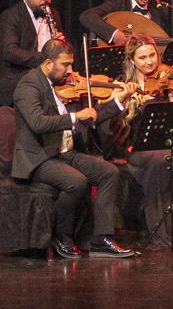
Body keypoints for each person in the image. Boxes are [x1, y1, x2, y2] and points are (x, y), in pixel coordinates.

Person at [12, 36, 134, 259]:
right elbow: (37, 123)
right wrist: (75, 116)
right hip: (38, 158)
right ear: (48, 63)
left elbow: (89, 119)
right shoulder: (28, 85)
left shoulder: (58, 86)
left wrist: (118, 101)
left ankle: (101, 239)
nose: (70, 71)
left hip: (64, 152)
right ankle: (62, 236)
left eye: (71, 64)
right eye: (65, 65)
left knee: (109, 172)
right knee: (75, 181)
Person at [102, 35, 173, 243]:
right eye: (142, 58)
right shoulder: (123, 83)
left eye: (152, 55)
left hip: (166, 141)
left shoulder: (167, 78)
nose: (150, 61)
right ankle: (164, 234)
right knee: (160, 161)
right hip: (137, 147)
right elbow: (106, 110)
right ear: (132, 60)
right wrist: (125, 98)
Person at [0, 0, 64, 112]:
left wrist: (60, 46)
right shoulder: (10, 16)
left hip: (48, 76)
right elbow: (10, 52)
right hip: (19, 78)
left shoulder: (53, 14)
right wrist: (46, 59)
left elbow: (61, 49)